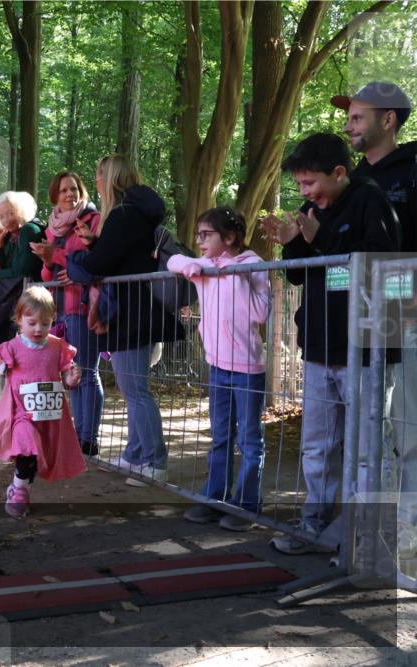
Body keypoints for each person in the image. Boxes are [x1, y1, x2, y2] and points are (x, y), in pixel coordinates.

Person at [261, 132, 401, 554]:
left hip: (366, 349)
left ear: (339, 172)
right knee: (317, 446)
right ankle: (315, 523)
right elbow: (299, 274)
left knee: (368, 448)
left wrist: (318, 239)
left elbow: (374, 266)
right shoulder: (311, 211)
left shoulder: (370, 200)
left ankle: (366, 536)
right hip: (320, 347)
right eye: (300, 185)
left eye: (311, 183)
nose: (306, 193)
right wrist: (292, 241)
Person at [65, 154, 184, 486]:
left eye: (98, 175)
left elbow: (99, 265)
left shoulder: (123, 215)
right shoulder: (134, 214)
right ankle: (135, 455)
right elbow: (117, 256)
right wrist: (96, 245)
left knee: (136, 391)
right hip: (134, 310)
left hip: (131, 313)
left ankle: (155, 461)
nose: (96, 181)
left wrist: (76, 258)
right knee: (133, 389)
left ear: (110, 178)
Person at [332, 81, 416, 526]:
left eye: (357, 117)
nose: (348, 126)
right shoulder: (347, 180)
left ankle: (405, 530)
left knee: (408, 423)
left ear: (388, 119)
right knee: (366, 427)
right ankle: (361, 528)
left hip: (407, 315)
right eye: (347, 118)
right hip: (357, 319)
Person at [168, 207, 271, 532]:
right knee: (220, 436)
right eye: (198, 234)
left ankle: (248, 505)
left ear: (229, 237)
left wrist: (234, 276)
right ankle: (215, 498)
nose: (199, 241)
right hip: (218, 366)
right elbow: (172, 261)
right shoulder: (205, 265)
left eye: (206, 234)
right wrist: (190, 265)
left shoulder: (253, 264)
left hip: (247, 368)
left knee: (250, 439)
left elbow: (260, 313)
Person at [0, 286, 86, 517]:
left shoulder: (58, 347)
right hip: (20, 414)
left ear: (53, 320)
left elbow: (67, 378)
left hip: (49, 415)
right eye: (32, 322)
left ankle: (21, 485)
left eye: (45, 323)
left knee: (37, 454)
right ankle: (19, 491)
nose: (38, 329)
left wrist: (73, 378)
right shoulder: (11, 349)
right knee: (27, 447)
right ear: (19, 320)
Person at [31, 171, 105, 456]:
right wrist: (47, 261)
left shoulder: (92, 220)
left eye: (73, 188)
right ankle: (78, 435)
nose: (69, 194)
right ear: (55, 195)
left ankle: (89, 439)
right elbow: (47, 274)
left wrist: (58, 257)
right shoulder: (51, 228)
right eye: (63, 190)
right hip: (59, 309)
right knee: (71, 374)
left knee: (87, 371)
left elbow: (92, 262)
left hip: (82, 307)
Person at [0, 191, 45, 353]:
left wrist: (0, 275)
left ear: (21, 210)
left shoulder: (29, 230)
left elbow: (23, 268)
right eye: (1, 216)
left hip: (31, 301)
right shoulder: (10, 237)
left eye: (11, 213)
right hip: (15, 302)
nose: (7, 220)